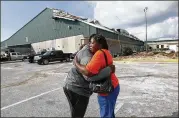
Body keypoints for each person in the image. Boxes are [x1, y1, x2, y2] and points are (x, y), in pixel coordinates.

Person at [63, 34, 115, 118]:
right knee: (78, 114)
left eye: (92, 43)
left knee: (75, 112)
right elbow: (89, 76)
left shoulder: (92, 50)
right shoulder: (88, 56)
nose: (90, 44)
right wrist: (108, 70)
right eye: (90, 43)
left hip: (72, 85)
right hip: (77, 89)